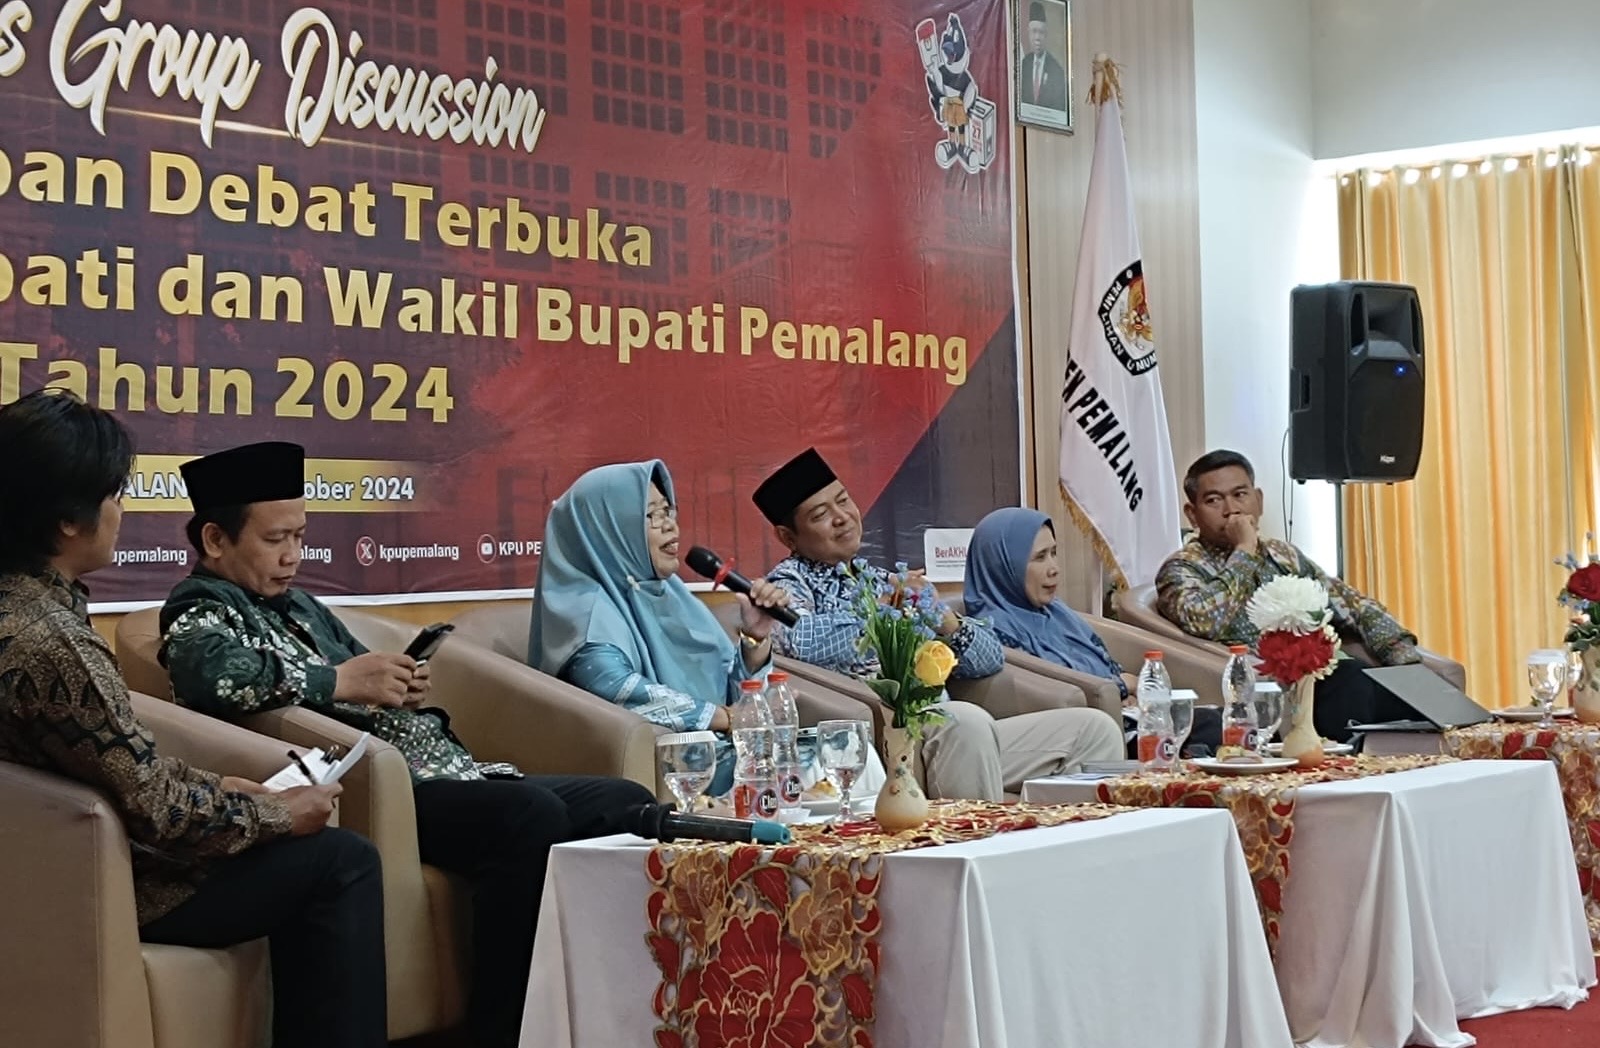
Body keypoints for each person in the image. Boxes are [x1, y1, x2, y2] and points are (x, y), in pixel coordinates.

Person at [158, 441, 651, 1048]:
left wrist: (392, 685)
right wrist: (340, 681)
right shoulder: (200, 607)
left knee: (623, 804)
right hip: (389, 788)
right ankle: (504, 1033)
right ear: (215, 539)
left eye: (301, 537)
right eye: (275, 539)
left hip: (453, 770)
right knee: (528, 816)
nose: (293, 556)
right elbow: (211, 677)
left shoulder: (303, 606)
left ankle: (607, 1024)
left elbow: (359, 678)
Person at [0, 393, 385, 1048]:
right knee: (339, 861)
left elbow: (111, 759)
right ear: (67, 520)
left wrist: (219, 787)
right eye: (114, 496)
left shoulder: (26, 609)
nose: (121, 512)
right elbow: (155, 812)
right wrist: (277, 814)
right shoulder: (53, 643)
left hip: (56, 860)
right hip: (116, 878)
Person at [753, 448, 1124, 800]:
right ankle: (975, 842)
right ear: (788, 536)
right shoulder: (789, 583)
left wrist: (946, 621)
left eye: (844, 500)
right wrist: (881, 610)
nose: (842, 517)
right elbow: (799, 640)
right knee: (966, 721)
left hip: (950, 732)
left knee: (1093, 730)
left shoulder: (878, 578)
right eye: (820, 514)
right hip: (891, 731)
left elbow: (989, 660)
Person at [530, 459, 795, 797]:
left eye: (668, 511)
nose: (671, 526)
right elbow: (616, 687)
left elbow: (735, 694)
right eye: (651, 515)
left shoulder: (669, 594)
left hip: (728, 756)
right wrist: (727, 719)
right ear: (608, 529)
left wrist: (755, 637)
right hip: (674, 774)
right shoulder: (585, 612)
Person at [1156, 449, 1421, 741]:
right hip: (1269, 687)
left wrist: (1405, 661)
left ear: (1259, 500)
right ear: (1192, 514)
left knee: (1421, 705)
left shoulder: (1282, 554)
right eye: (1214, 500)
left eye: (1240, 495)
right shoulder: (1182, 568)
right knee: (1350, 681)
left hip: (1326, 675)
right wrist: (1244, 550)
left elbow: (1354, 605)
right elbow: (1205, 621)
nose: (1231, 509)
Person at [964, 506, 1221, 756]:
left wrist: (1123, 689)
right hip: (1089, 735)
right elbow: (1050, 685)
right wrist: (1120, 687)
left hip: (1130, 715)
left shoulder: (1057, 613)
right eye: (1040, 557)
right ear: (1003, 565)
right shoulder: (993, 629)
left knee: (1219, 720)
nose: (1054, 568)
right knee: (1210, 730)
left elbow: (1105, 663)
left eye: (1054, 553)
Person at [1019, 2, 1068, 111]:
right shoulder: (1023, 65)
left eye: (1041, 32)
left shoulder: (1056, 70)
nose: (1037, 38)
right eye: (1034, 32)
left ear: (1046, 35)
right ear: (1028, 33)